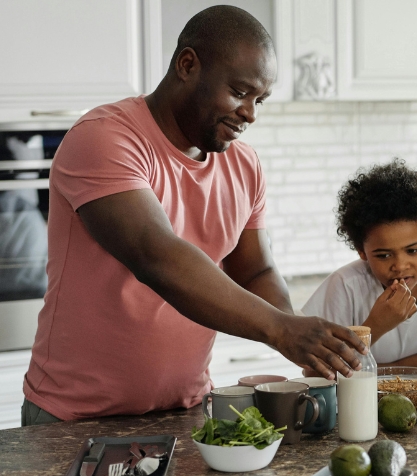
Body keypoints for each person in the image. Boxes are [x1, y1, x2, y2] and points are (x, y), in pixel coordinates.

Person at [21, 6, 365, 426]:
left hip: (186, 410)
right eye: (240, 92)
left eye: (260, 100)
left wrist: (300, 338)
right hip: (75, 417)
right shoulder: (104, 138)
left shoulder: (244, 164)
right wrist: (281, 329)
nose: (251, 113)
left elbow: (256, 270)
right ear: (187, 65)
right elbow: (157, 256)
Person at [301, 159, 417, 369]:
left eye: (413, 250)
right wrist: (376, 326)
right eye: (383, 255)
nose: (399, 266)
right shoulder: (345, 286)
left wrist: (372, 375)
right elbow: (315, 371)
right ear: (361, 250)